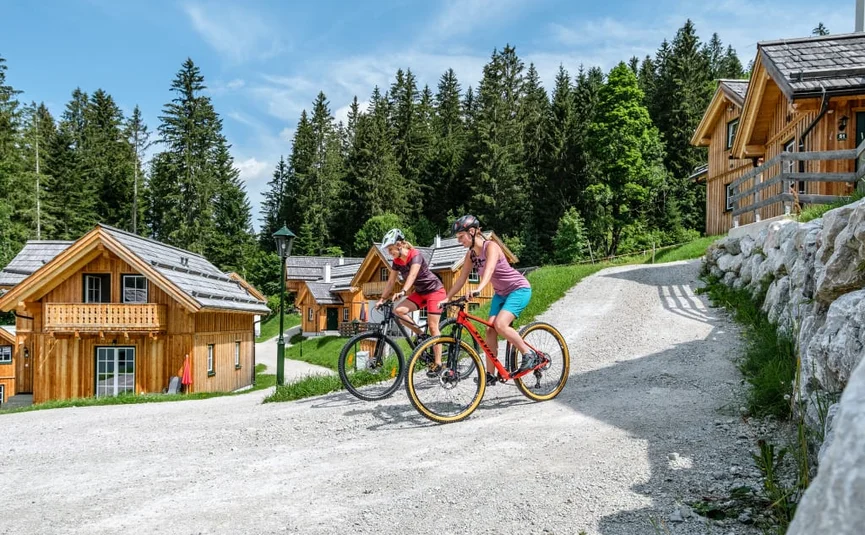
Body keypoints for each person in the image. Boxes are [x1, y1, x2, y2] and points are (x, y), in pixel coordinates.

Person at [443, 214, 538, 385]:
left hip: (518, 289)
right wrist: (447, 298)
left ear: (472, 232)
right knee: (490, 330)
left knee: (500, 325)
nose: (459, 241)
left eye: (461, 236)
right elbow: (461, 278)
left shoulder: (491, 247)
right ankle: (490, 374)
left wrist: (479, 288)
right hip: (501, 294)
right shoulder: (471, 255)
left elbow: (490, 269)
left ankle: (529, 354)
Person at [376, 228, 446, 377]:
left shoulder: (416, 255)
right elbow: (390, 282)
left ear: (400, 244)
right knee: (398, 311)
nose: (390, 252)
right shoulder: (397, 262)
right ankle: (421, 335)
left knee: (433, 327)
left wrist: (403, 291)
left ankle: (438, 364)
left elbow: (413, 275)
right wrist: (382, 299)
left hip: (435, 291)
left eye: (391, 249)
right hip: (421, 293)